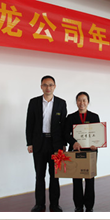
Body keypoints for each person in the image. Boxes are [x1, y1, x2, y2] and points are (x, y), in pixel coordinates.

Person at [25, 75, 67, 212]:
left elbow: (64, 126)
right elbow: (29, 123)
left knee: (55, 176)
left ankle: (55, 205)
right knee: (39, 175)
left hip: (56, 144)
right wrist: (29, 143)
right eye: (45, 85)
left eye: (50, 85)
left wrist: (63, 144)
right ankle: (39, 204)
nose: (48, 87)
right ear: (41, 87)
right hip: (39, 143)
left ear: (54, 86)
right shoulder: (34, 102)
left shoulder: (61, 103)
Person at [65, 92, 100, 212]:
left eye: (84, 100)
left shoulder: (94, 117)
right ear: (76, 102)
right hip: (76, 151)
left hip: (91, 152)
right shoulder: (70, 117)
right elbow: (65, 134)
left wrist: (97, 144)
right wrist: (73, 142)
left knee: (90, 179)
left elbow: (98, 134)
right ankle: (78, 206)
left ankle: (89, 206)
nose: (82, 103)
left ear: (88, 102)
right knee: (77, 179)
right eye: (79, 100)